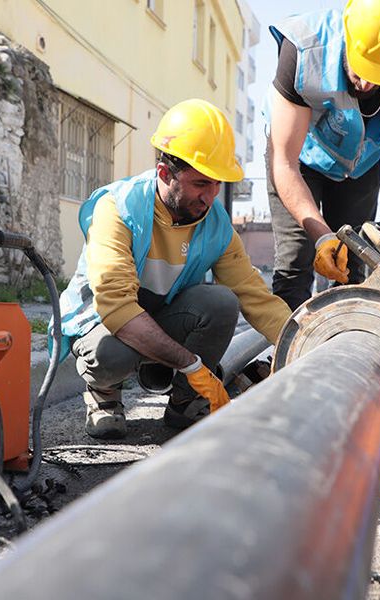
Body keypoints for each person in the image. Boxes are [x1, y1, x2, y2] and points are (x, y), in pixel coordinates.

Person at [56, 98, 292, 439]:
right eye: (200, 184)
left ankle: (186, 402)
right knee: (110, 353)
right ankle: (104, 394)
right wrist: (191, 364)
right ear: (166, 174)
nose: (210, 197)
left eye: (216, 185)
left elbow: (255, 297)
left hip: (160, 315)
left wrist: (304, 343)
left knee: (222, 302)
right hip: (103, 322)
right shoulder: (118, 209)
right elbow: (118, 308)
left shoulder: (216, 225)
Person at [266, 0, 380, 310]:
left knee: (354, 267)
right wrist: (322, 236)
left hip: (360, 163)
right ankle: (285, 356)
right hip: (300, 160)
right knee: (296, 263)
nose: (367, 83)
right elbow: (284, 161)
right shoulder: (304, 49)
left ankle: (344, 348)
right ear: (349, 36)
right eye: (362, 68)